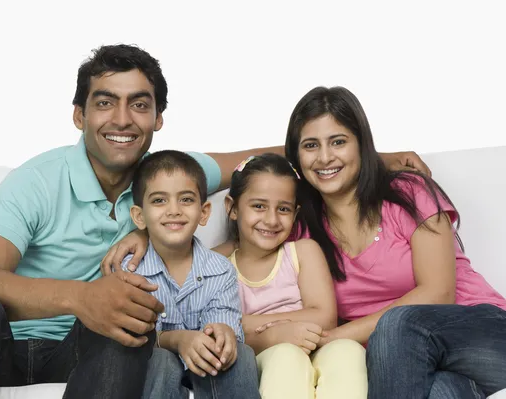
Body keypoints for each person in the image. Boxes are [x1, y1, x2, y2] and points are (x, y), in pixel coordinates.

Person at [0, 41, 429, 398]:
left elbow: (265, 162)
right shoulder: (36, 181)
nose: (121, 119)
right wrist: (80, 296)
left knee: (124, 327)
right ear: (79, 115)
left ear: (158, 118)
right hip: (11, 341)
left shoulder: (171, 179)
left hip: (89, 349)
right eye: (104, 103)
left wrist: (377, 159)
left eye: (140, 105)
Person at [284, 86, 506, 398]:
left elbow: (438, 291)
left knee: (398, 324)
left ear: (362, 145)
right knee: (444, 392)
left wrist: (337, 336)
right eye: (310, 145)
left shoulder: (408, 192)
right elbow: (243, 242)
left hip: (484, 334)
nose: (324, 157)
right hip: (408, 367)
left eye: (338, 141)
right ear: (296, 156)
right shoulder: (301, 231)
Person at [217, 153, 367, 399]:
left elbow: (324, 317)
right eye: (258, 206)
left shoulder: (302, 251)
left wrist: (256, 324)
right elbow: (223, 326)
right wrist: (274, 335)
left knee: (349, 351)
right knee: (287, 356)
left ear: (295, 214)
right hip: (265, 355)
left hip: (316, 347)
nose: (272, 219)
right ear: (232, 208)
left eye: (283, 209)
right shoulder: (219, 266)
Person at [120, 150, 260, 398]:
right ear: (139, 217)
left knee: (242, 353)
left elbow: (223, 318)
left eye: (185, 199)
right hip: (152, 368)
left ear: (203, 212)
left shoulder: (220, 269)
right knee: (161, 359)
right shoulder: (129, 271)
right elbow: (132, 340)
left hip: (206, 366)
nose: (174, 210)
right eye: (159, 201)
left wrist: (224, 334)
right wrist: (177, 340)